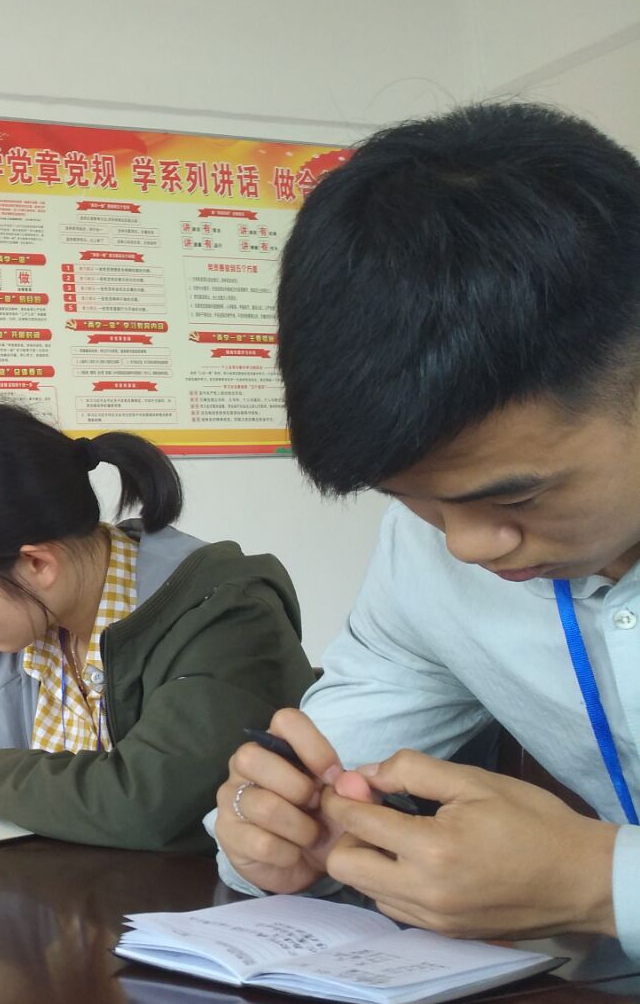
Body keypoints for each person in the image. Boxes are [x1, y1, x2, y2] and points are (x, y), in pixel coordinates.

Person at [210, 102, 640, 952]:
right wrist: (273, 830)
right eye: (414, 498)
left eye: (518, 498)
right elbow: (324, 776)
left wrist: (600, 882)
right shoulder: (426, 555)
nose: (466, 546)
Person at [0, 404, 313, 850]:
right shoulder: (35, 638)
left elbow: (150, 801)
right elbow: (35, 781)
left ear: (37, 564)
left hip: (203, 913)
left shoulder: (222, 615)